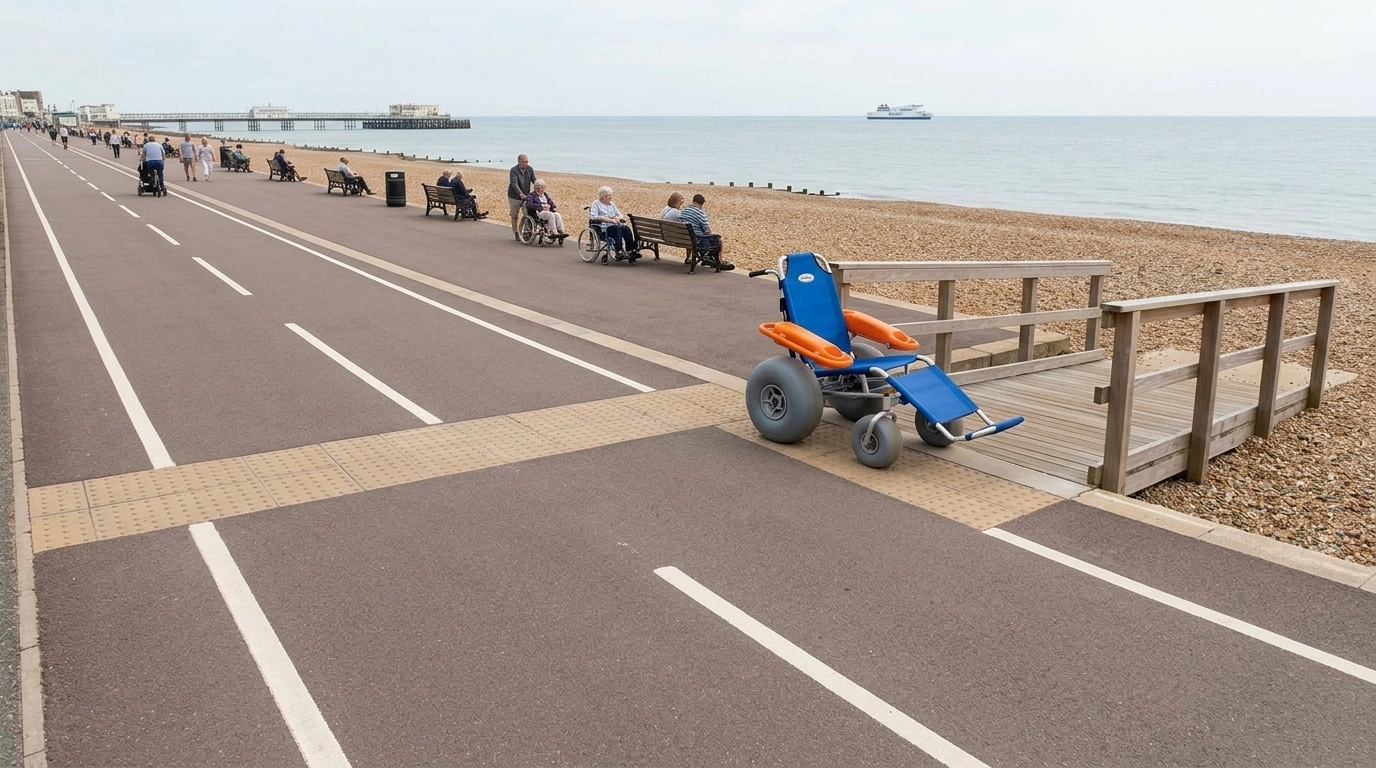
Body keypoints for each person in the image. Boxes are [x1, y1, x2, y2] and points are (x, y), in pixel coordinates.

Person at [677, 194, 735, 271]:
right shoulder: (701, 213)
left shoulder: (684, 210)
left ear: (693, 201)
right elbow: (707, 230)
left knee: (696, 235)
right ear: (702, 204)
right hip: (696, 240)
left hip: (684, 238)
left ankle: (702, 258)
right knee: (718, 240)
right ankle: (719, 261)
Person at [589, 186, 640, 260]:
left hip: (614, 224)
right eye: (608, 196)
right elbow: (593, 216)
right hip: (603, 227)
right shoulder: (596, 204)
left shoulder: (612, 205)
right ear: (602, 196)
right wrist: (607, 219)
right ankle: (619, 250)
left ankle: (630, 250)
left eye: (610, 195)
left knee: (626, 228)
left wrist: (617, 218)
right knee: (617, 228)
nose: (610, 197)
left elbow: (620, 215)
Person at [507, 154, 535, 239]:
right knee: (514, 216)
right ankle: (515, 232)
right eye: (523, 162)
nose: (525, 164)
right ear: (518, 162)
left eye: (526, 162)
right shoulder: (513, 170)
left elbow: (534, 180)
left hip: (526, 196)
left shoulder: (530, 169)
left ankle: (524, 231)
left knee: (527, 214)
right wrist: (520, 194)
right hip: (514, 196)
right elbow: (514, 183)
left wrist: (539, 188)